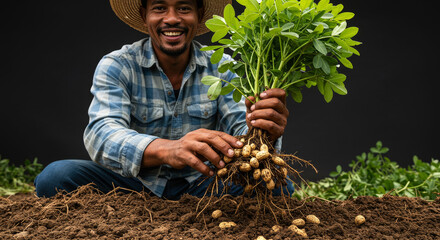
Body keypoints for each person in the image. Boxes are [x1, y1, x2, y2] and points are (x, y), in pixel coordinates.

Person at [34, 0, 292, 199]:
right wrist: (167, 149)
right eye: (159, 7)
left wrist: (263, 133)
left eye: (183, 7)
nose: (171, 18)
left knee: (277, 186)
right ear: (145, 15)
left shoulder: (222, 68)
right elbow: (101, 134)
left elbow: (240, 130)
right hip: (133, 186)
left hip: (204, 186)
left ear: (199, 15)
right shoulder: (118, 65)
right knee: (56, 177)